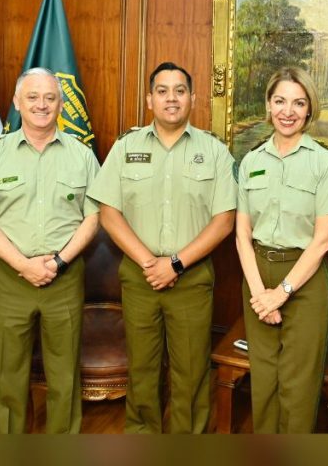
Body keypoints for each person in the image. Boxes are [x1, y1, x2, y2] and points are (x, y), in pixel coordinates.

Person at [87, 62, 236, 433]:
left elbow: (224, 221)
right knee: (143, 368)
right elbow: (108, 212)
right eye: (163, 91)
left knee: (191, 371)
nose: (172, 98)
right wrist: (150, 262)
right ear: (149, 99)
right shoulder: (125, 148)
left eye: (180, 90)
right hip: (139, 278)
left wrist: (175, 264)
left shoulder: (215, 151)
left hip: (192, 278)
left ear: (193, 98)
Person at [0, 68, 100, 433]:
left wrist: (58, 261)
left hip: (64, 275)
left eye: (49, 98)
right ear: (17, 102)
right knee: (8, 370)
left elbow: (94, 217)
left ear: (61, 104)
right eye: (32, 97)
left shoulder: (82, 155)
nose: (41, 105)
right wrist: (22, 264)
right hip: (10, 277)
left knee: (64, 372)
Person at [235, 67, 328, 433]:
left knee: (298, 386)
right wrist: (258, 294)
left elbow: (324, 239)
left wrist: (280, 294)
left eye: (298, 103)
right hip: (257, 276)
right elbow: (242, 235)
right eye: (280, 101)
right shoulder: (251, 161)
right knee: (263, 379)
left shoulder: (324, 162)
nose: (288, 111)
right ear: (268, 105)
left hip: (304, 279)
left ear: (309, 110)